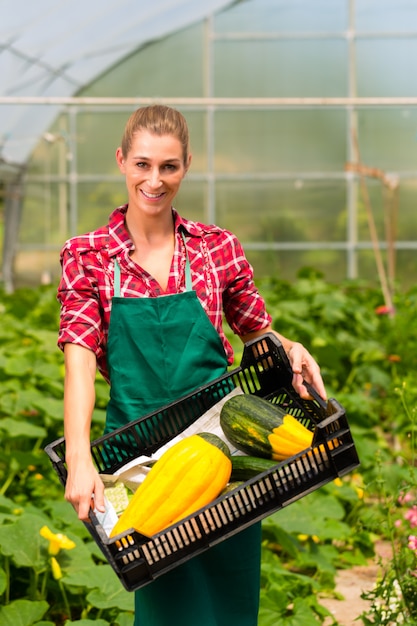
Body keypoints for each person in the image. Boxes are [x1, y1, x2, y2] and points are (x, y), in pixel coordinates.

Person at [57, 104, 327, 626]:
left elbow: (255, 330)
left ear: (186, 166)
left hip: (224, 450)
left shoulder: (216, 247)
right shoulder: (87, 255)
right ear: (120, 161)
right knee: (164, 603)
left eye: (168, 166)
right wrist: (79, 457)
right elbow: (80, 361)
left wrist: (289, 346)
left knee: (229, 599)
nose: (154, 180)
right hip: (139, 454)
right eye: (141, 164)